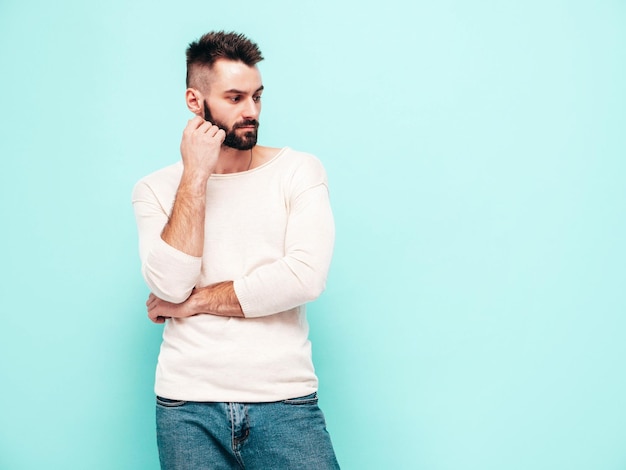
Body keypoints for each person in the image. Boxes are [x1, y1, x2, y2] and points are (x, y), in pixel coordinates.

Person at [132, 31, 340, 469]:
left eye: (257, 97)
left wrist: (194, 302)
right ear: (195, 101)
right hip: (186, 406)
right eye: (235, 98)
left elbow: (304, 277)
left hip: (283, 399)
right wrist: (196, 176)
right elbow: (169, 283)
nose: (251, 112)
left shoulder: (298, 171)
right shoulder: (154, 188)